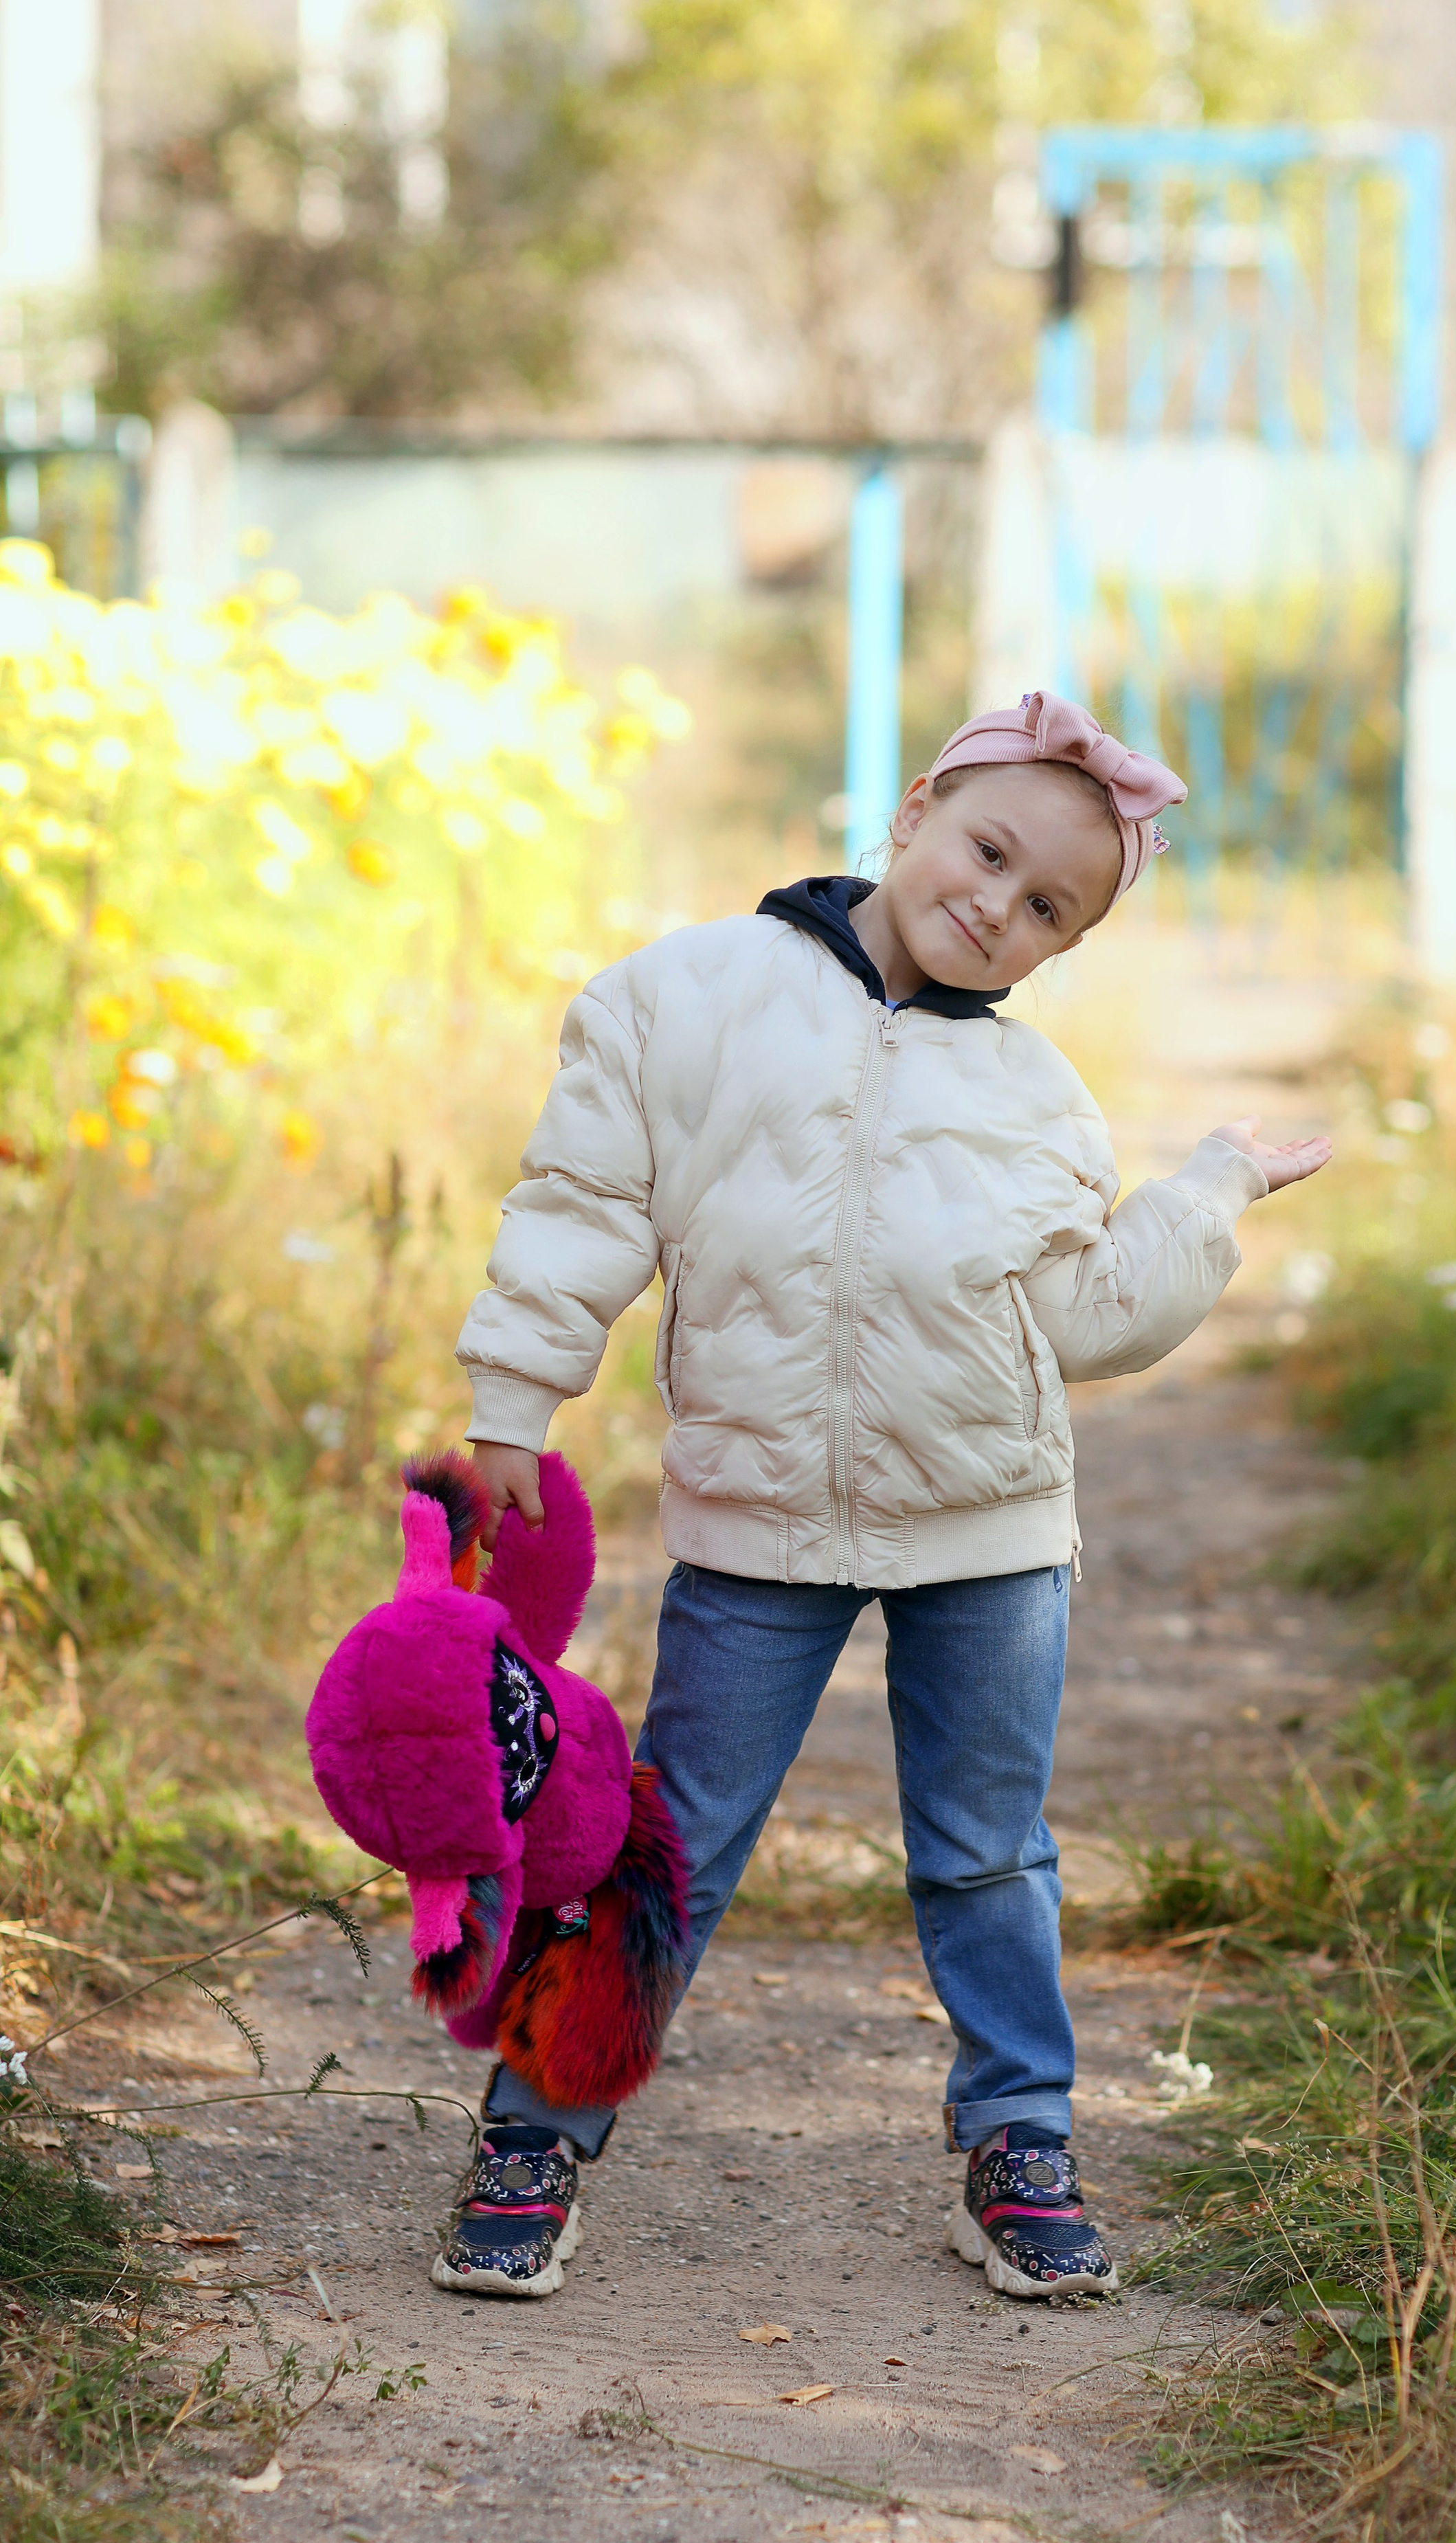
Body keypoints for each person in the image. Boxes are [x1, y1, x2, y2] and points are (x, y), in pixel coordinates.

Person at [434, 690, 1330, 2301]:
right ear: (915, 810)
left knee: (985, 1849)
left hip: (988, 1536)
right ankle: (536, 2127)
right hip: (754, 1524)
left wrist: (1210, 1189)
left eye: (1045, 906)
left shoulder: (1038, 1098)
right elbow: (582, 1203)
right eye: (988, 852)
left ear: (1062, 951)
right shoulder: (686, 1000)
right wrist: (517, 1396)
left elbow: (1087, 1320)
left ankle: (1017, 2138)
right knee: (674, 1838)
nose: (996, 905)